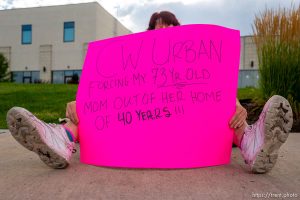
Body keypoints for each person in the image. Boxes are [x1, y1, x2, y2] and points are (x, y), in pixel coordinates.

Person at [6, 11, 293, 173]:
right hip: (140, 128)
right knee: (86, 110)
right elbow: (104, 95)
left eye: (170, 28)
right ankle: (61, 138)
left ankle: (253, 144)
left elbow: (210, 94)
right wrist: (81, 102)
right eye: (158, 29)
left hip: (188, 132)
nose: (164, 32)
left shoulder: (197, 64)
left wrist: (234, 105)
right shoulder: (130, 67)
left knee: (227, 109)